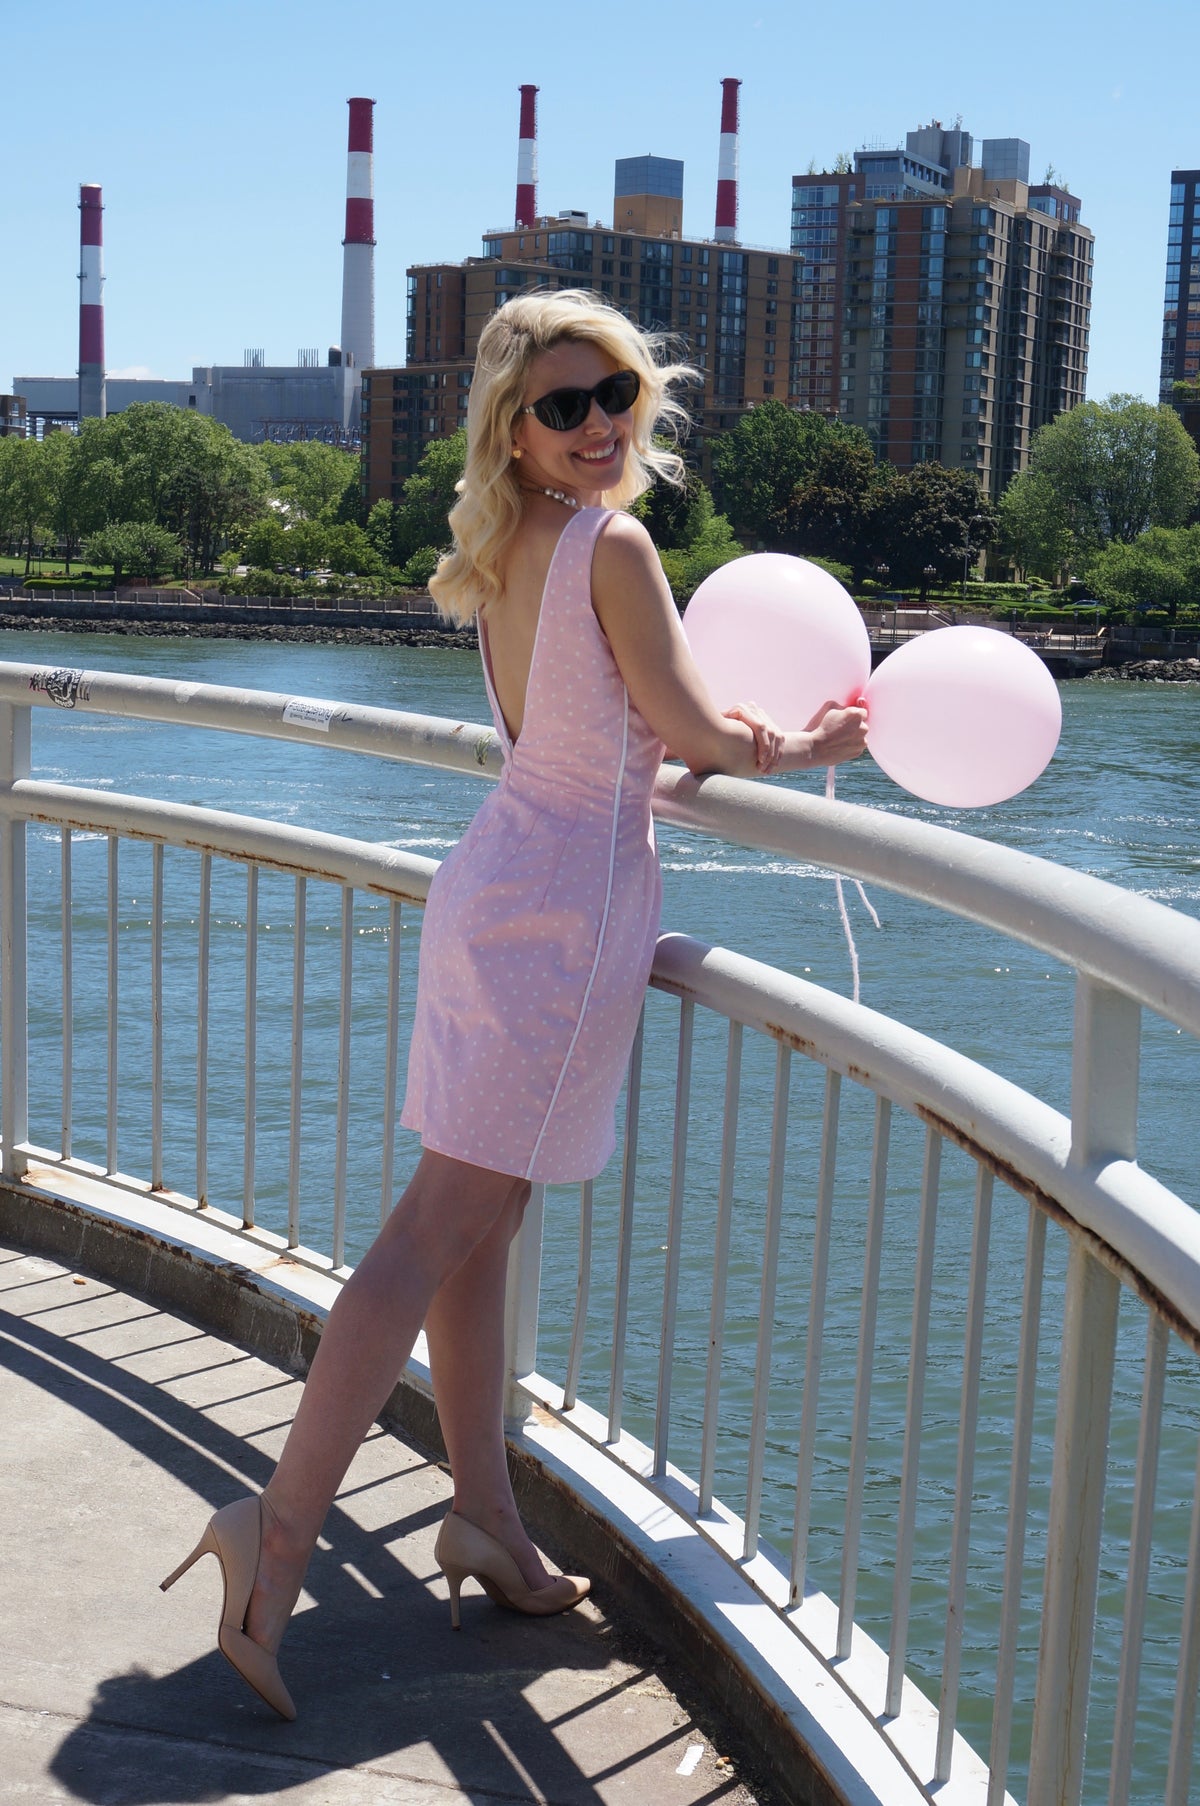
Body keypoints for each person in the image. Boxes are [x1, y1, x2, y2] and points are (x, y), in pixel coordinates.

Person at [160, 289, 868, 1720]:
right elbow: (682, 731)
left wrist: (716, 750)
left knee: (479, 1225)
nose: (599, 422)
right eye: (563, 405)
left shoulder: (509, 548)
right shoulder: (615, 545)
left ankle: (484, 1512)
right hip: (562, 925)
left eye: (613, 391)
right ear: (515, 428)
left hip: (503, 885)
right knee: (432, 1231)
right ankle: (275, 1535)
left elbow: (598, 753)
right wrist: (805, 743)